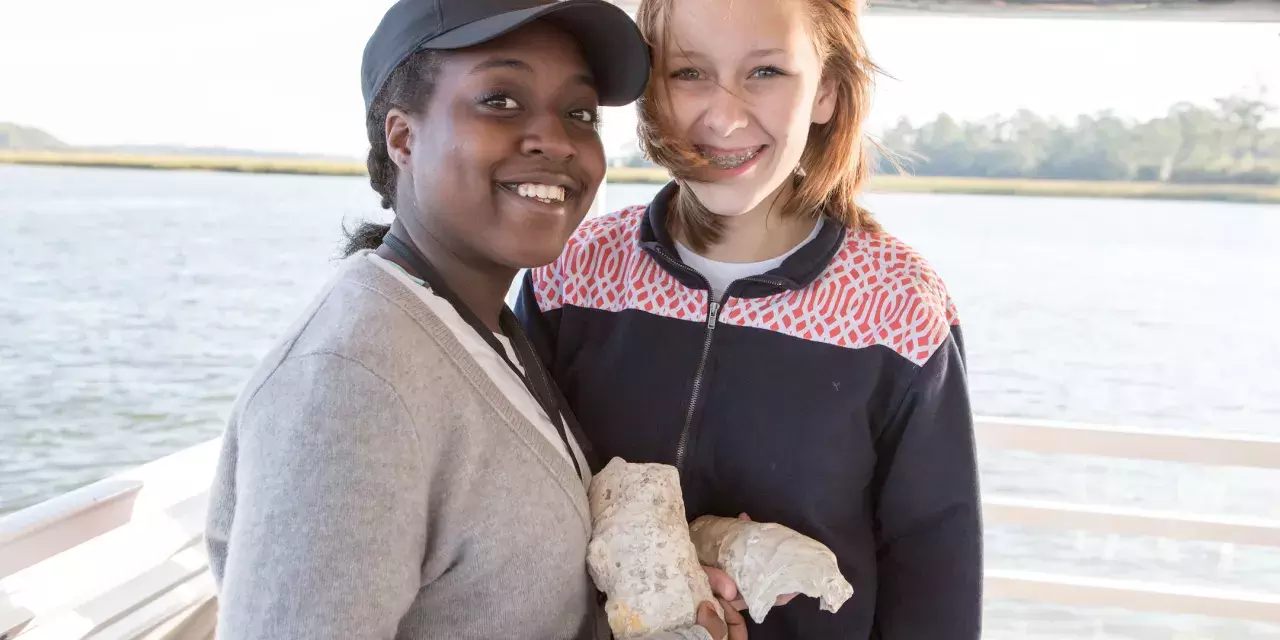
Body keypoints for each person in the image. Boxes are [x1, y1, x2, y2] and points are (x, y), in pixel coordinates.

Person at [205, 0, 742, 637]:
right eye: (500, 100)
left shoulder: (478, 325)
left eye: (578, 113)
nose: (556, 139)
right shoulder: (348, 385)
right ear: (402, 138)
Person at [516, 0, 983, 637]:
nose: (725, 115)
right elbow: (515, 514)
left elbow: (935, 579)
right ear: (649, 90)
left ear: (828, 93)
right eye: (688, 72)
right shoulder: (572, 273)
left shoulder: (898, 306)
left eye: (766, 72)